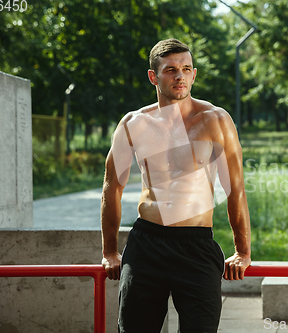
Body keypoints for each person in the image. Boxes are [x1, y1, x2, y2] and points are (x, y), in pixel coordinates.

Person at [100, 38, 251, 333]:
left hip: (196, 246)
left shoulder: (216, 120)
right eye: (170, 70)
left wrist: (242, 251)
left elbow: (235, 187)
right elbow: (111, 188)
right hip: (146, 245)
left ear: (193, 74)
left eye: (185, 68)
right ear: (153, 77)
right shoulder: (134, 123)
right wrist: (109, 251)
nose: (179, 75)